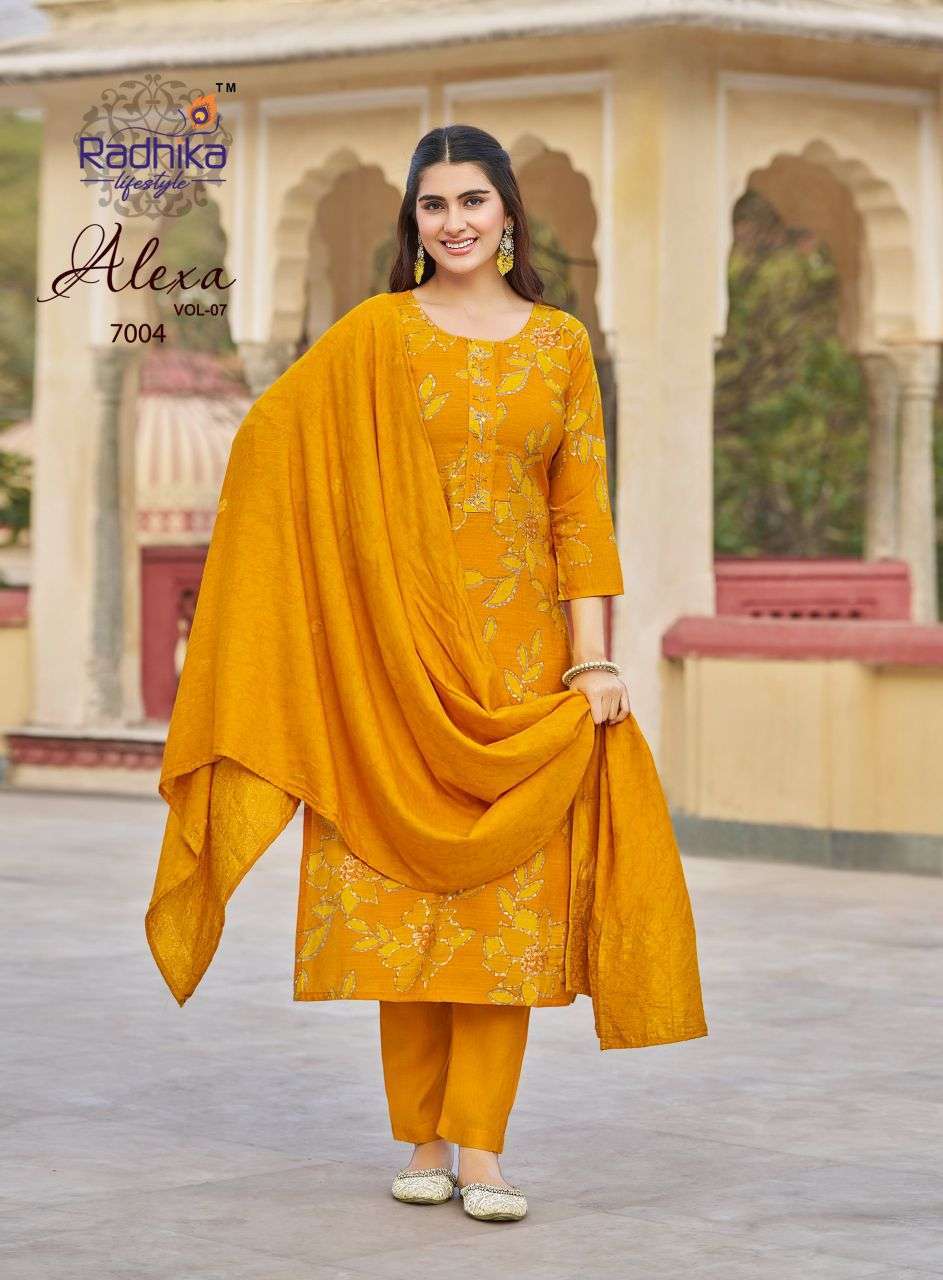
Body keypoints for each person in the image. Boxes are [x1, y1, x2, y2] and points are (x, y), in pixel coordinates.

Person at [145, 125, 708, 1228]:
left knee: (503, 904)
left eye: (472, 201)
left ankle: (483, 1144)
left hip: (521, 669)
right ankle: (422, 1137)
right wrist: (330, 588)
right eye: (433, 204)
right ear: (413, 221)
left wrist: (593, 656)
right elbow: (272, 445)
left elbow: (579, 514)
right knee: (400, 891)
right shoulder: (374, 336)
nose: (454, 222)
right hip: (391, 657)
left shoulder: (559, 345)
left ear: (508, 215)